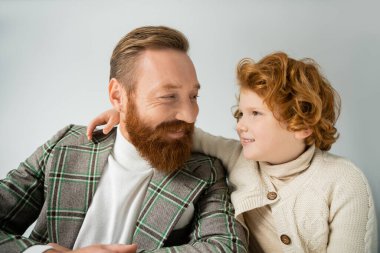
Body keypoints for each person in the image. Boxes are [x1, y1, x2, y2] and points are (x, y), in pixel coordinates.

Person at [89, 52, 378, 252]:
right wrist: (127, 112)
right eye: (240, 113)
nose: (240, 125)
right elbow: (187, 134)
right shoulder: (237, 157)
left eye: (255, 114)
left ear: (301, 125)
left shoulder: (344, 182)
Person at [0, 26, 248, 253]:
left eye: (193, 96)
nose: (190, 114)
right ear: (118, 96)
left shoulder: (206, 172)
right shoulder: (64, 145)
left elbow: (226, 247)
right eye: (168, 97)